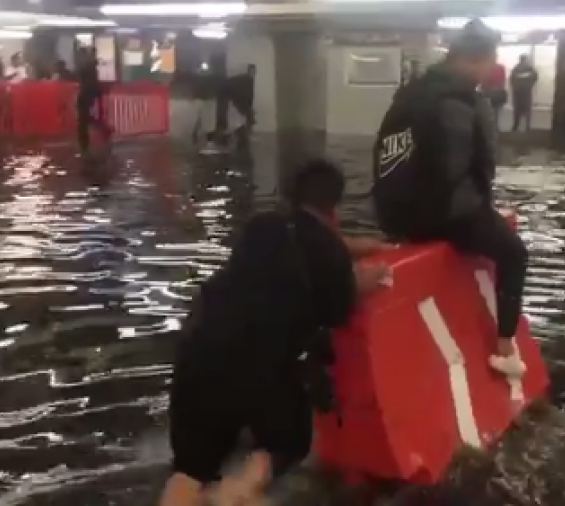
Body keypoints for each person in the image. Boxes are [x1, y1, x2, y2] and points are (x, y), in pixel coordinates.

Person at [159, 159, 391, 506]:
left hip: (198, 348)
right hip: (256, 363)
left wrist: (361, 246)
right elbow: (343, 298)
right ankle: (237, 492)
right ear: (335, 206)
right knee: (286, 441)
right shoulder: (330, 257)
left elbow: (313, 242)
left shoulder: (262, 226)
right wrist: (378, 271)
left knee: (190, 469)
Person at [371, 20, 528, 380]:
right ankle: (505, 346)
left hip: (398, 214)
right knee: (515, 254)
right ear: (477, 59)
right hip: (441, 214)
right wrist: (479, 212)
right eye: (491, 60)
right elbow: (451, 169)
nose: (491, 69)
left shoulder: (414, 92)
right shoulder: (458, 100)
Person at [75, 47, 111, 153]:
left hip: (86, 94)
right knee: (86, 119)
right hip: (90, 94)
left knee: (83, 120)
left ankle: (85, 145)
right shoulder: (90, 66)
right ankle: (103, 131)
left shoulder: (86, 66)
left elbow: (86, 81)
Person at [509, 54, 538, 132]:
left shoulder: (516, 68)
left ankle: (516, 126)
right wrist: (529, 85)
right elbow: (535, 77)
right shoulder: (530, 68)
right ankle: (527, 126)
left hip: (518, 92)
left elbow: (511, 79)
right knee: (527, 109)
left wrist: (515, 87)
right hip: (526, 91)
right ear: (525, 59)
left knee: (517, 109)